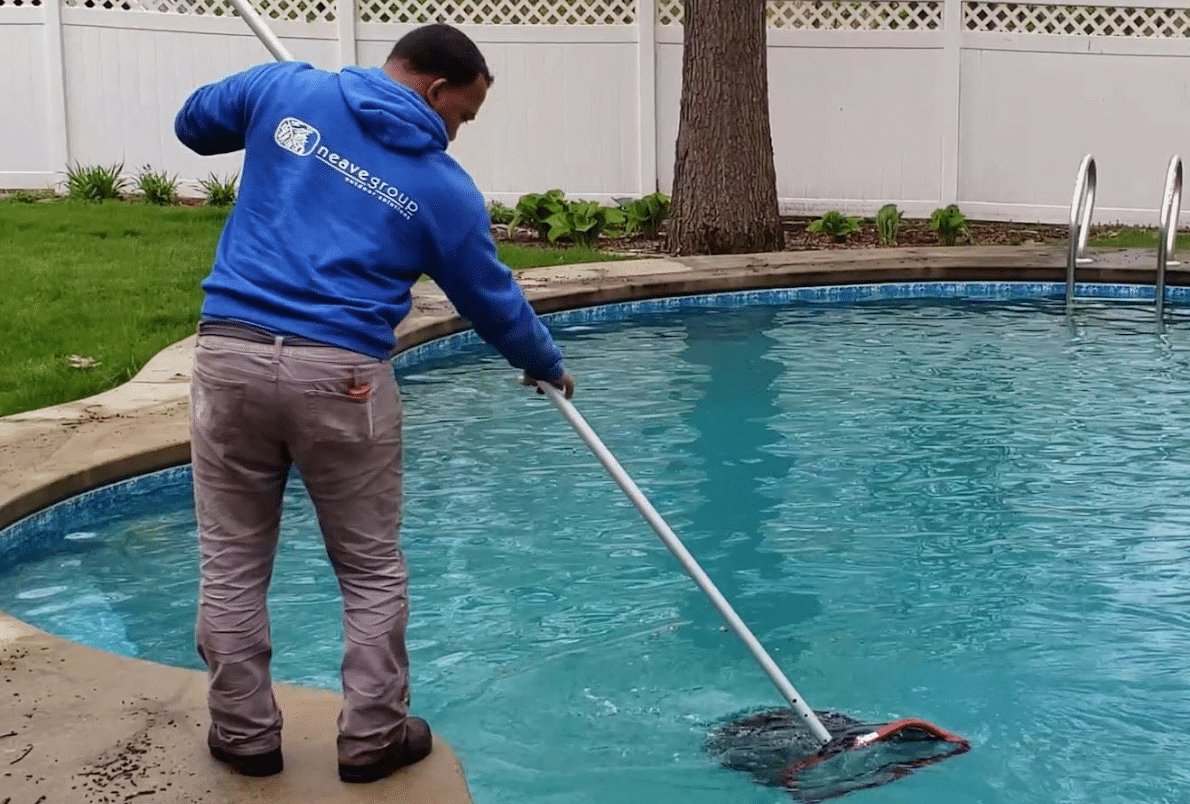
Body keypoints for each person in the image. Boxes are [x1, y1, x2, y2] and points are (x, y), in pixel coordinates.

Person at [174, 23, 575, 784]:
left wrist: (272, 114)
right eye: (463, 115)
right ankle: (371, 741)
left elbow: (193, 123)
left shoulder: (286, 88)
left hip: (230, 356)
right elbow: (491, 300)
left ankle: (244, 735)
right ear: (435, 91)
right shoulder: (439, 187)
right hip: (343, 377)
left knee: (230, 560)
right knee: (369, 570)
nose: (457, 133)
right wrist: (544, 364)